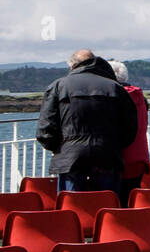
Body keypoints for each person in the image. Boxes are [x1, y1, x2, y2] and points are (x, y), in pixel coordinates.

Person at [36, 49, 137, 199]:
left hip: (70, 159)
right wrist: (113, 145)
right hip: (107, 157)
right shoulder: (115, 87)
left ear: (72, 65)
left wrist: (58, 148)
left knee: (71, 208)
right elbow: (130, 128)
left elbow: (45, 129)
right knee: (107, 206)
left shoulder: (58, 86)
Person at [108, 59, 150, 204]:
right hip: (138, 157)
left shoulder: (110, 96)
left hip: (115, 159)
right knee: (131, 199)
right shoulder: (140, 97)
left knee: (112, 201)